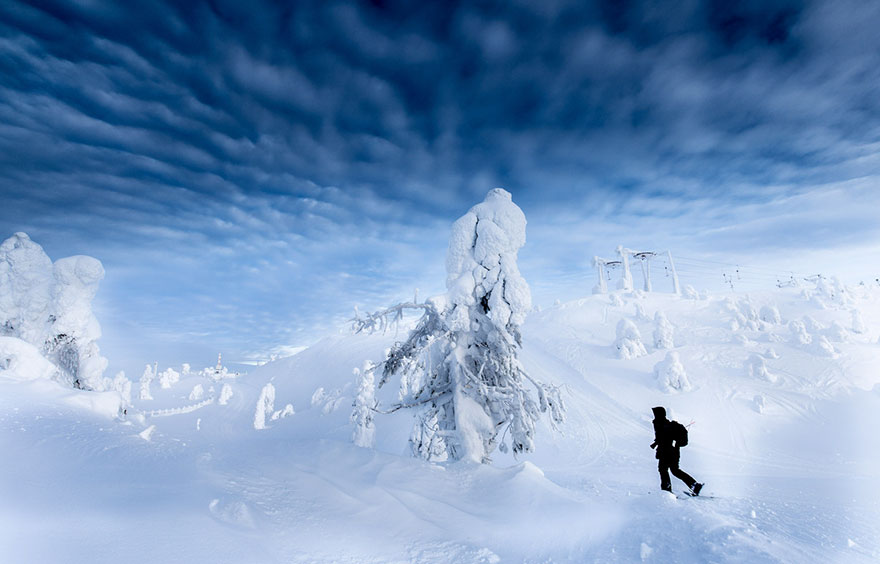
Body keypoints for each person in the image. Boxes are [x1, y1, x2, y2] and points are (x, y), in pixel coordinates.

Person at [650, 406, 703, 495]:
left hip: (667, 452)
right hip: (672, 451)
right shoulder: (664, 423)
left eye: (655, 413)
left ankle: (666, 491)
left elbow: (663, 437)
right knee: (674, 470)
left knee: (664, 470)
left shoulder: (661, 423)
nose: (654, 415)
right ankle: (694, 485)